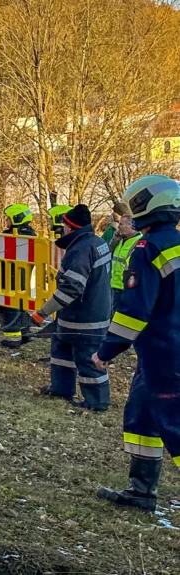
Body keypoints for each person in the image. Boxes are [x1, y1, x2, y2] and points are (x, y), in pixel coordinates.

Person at [91, 175, 180, 512]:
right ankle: (141, 492)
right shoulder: (176, 244)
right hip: (160, 354)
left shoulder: (148, 249)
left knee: (174, 425)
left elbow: (134, 311)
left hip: (166, 355)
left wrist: (106, 351)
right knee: (141, 418)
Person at [30, 205, 112, 411]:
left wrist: (41, 313)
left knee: (88, 358)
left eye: (64, 225)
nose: (61, 229)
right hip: (80, 315)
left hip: (84, 318)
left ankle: (96, 402)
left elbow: (71, 288)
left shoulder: (81, 249)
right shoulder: (97, 242)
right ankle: (61, 388)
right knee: (61, 349)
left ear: (70, 227)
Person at [0, 204, 38, 349]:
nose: (6, 221)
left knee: (9, 303)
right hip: (24, 276)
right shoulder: (32, 234)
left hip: (9, 276)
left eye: (8, 218)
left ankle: (12, 339)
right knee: (22, 302)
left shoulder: (10, 235)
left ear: (16, 218)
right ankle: (25, 332)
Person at [109, 215, 142, 308]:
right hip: (113, 285)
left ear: (130, 225)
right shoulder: (120, 239)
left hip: (125, 288)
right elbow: (108, 254)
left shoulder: (138, 241)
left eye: (121, 224)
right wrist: (114, 240)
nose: (118, 227)